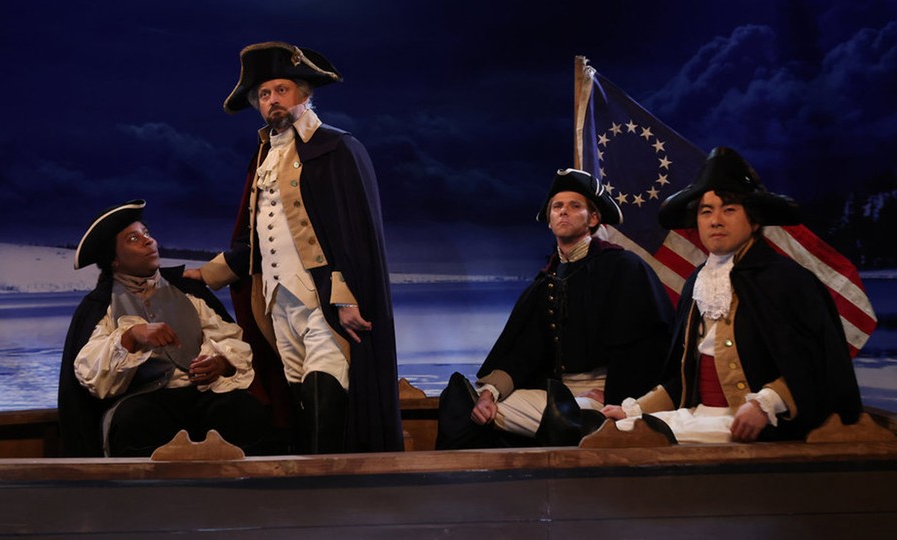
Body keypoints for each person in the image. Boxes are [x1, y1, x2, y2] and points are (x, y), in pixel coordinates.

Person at [184, 41, 402, 453]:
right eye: (264, 94)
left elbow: (353, 233)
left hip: (324, 299)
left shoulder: (337, 149)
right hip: (276, 303)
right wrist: (205, 274)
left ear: (305, 94)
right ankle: (312, 487)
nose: (272, 101)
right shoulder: (263, 157)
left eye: (280, 90)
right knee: (302, 394)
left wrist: (346, 297)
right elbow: (251, 240)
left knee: (327, 383)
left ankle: (331, 491)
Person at [601, 147, 864, 443]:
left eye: (728, 209)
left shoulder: (787, 280)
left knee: (638, 442)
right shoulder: (696, 283)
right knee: (617, 429)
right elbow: (682, 378)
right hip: (701, 416)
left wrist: (765, 404)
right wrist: (635, 410)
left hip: (766, 426)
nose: (715, 220)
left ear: (753, 221)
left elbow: (818, 364)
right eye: (706, 211)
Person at [436, 169, 675, 449]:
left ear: (593, 218)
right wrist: (489, 394)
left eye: (575, 206)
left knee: (563, 419)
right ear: (549, 220)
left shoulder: (624, 269)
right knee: (472, 410)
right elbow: (522, 352)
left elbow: (647, 347)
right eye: (557, 207)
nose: (564, 212)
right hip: (557, 393)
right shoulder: (546, 282)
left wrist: (617, 395)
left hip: (611, 398)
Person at [57, 200, 278, 457]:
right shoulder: (101, 307)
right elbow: (91, 373)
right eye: (133, 239)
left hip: (200, 393)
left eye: (147, 234)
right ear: (114, 261)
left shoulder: (187, 292)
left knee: (243, 411)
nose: (148, 241)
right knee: (137, 419)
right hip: (142, 398)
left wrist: (221, 363)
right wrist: (131, 337)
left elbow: (228, 338)